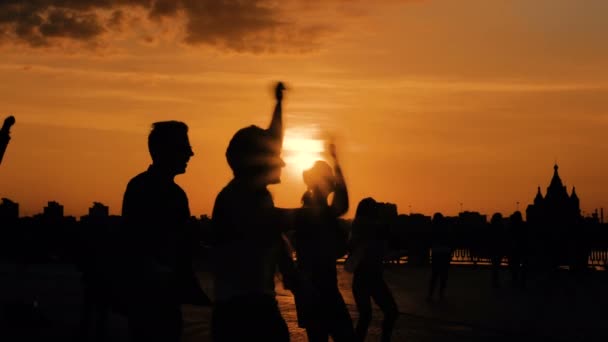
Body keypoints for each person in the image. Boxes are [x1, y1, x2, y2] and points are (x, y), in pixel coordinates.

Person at [210, 82, 294, 342]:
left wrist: (279, 104)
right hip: (243, 309)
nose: (280, 161)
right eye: (270, 156)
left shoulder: (254, 195)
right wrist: (314, 216)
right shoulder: (240, 198)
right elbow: (270, 224)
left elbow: (274, 137)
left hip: (250, 304)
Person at [117, 121, 210, 342]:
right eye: (184, 147)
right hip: (155, 298)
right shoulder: (165, 193)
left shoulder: (144, 187)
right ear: (166, 150)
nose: (191, 153)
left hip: (153, 297)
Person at [292, 145, 355, 341]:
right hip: (321, 290)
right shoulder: (319, 213)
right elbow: (343, 202)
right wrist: (337, 162)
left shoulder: (309, 211)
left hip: (312, 290)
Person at [348, 197, 399, 342]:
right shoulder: (363, 224)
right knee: (387, 312)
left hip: (369, 278)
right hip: (367, 277)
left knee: (368, 316)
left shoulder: (362, 225)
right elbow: (379, 231)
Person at [426, 212, 452, 302]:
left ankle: (430, 294)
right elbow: (450, 241)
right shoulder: (446, 229)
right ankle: (441, 294)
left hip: (436, 253)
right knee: (443, 275)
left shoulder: (433, 229)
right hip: (445, 253)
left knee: (434, 275)